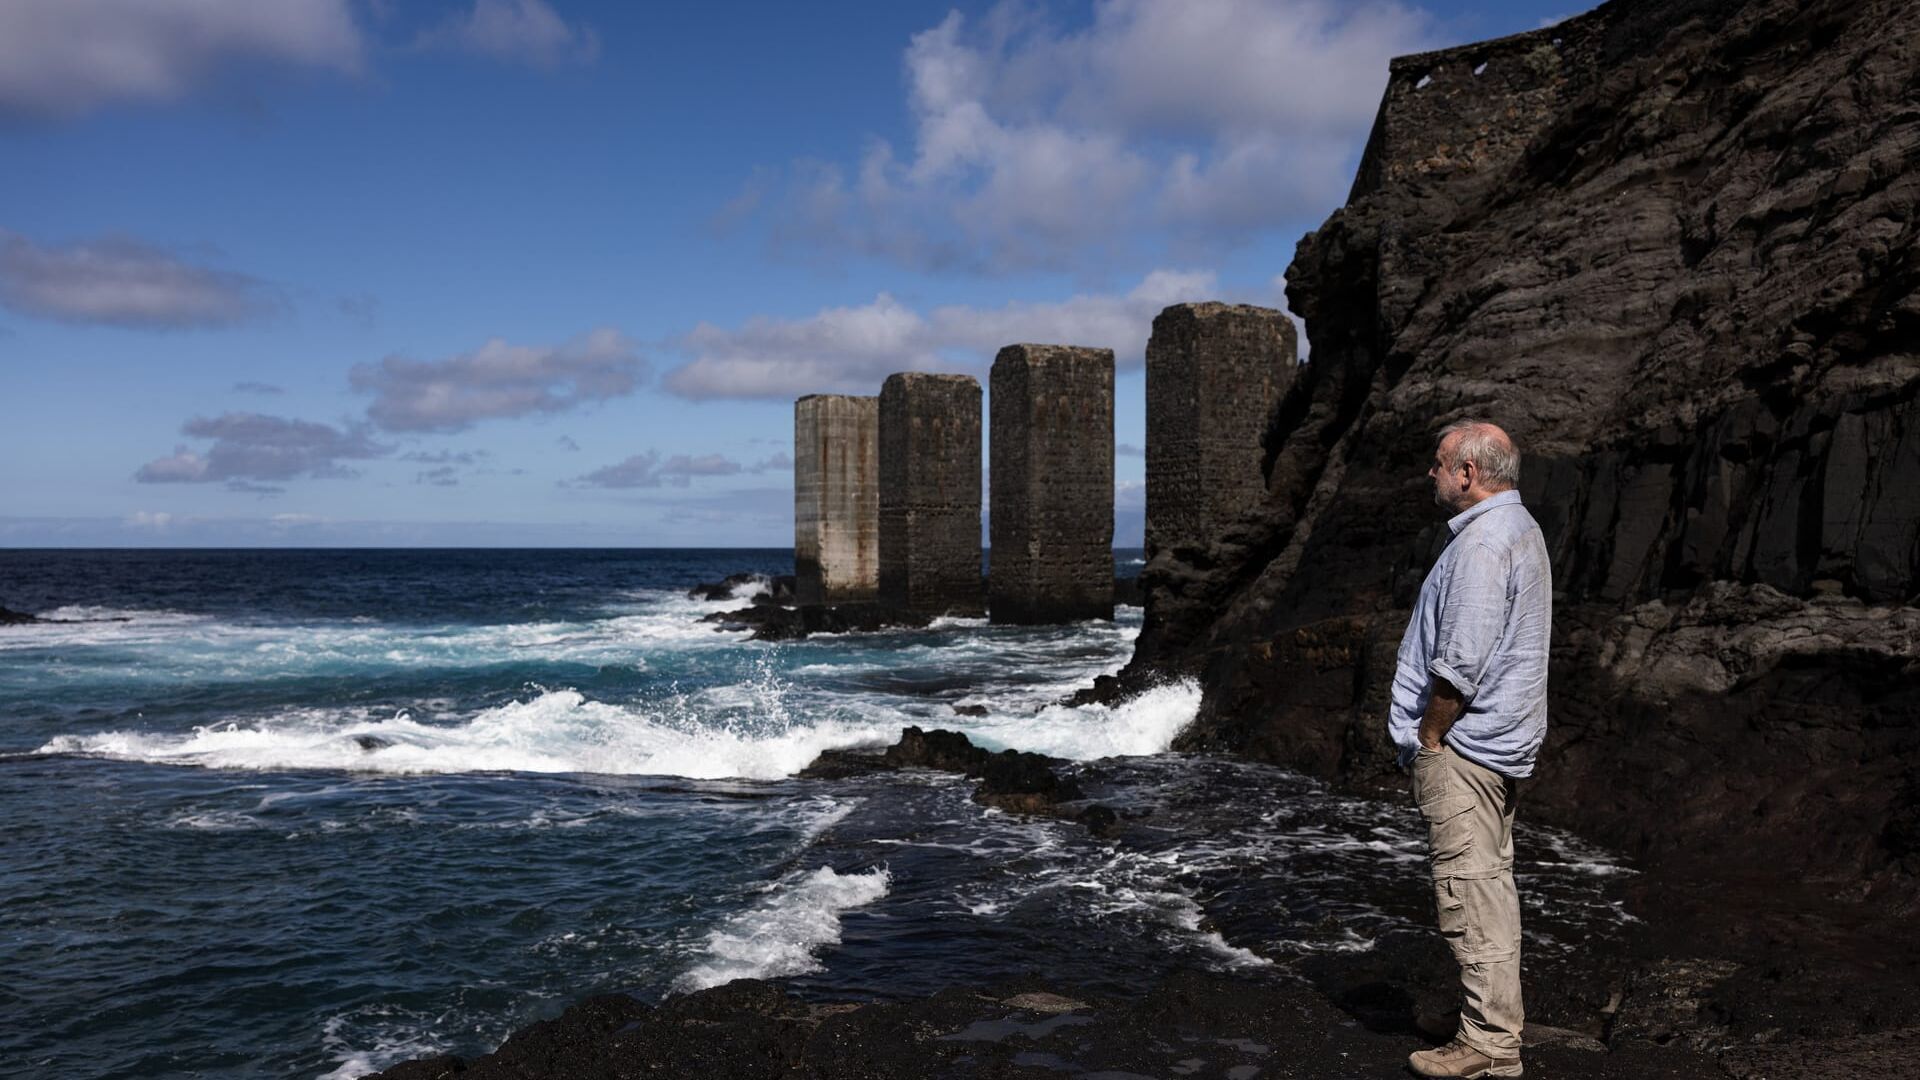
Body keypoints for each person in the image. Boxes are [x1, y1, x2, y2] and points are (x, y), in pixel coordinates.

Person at [1390, 419, 1551, 1079]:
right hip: (1497, 744)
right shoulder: (1520, 530)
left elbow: (1461, 661)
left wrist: (1430, 737)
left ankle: (1488, 1046)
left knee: (1469, 894)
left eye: (1438, 464)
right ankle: (1488, 1028)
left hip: (1468, 749)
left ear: (1467, 473)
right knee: (1490, 890)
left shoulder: (1484, 544)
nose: (1431, 474)